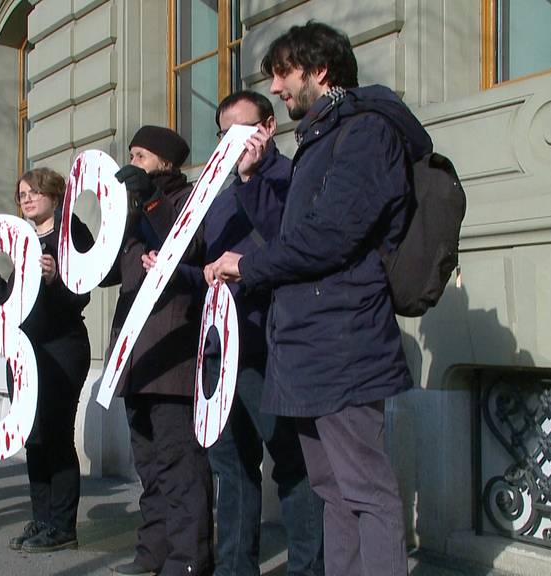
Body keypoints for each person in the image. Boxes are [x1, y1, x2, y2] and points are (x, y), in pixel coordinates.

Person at [205, 21, 432, 576]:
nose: (277, 88)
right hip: (307, 342)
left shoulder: (366, 130)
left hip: (345, 339)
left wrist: (248, 265)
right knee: (330, 489)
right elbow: (291, 233)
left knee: (365, 491)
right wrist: (255, 179)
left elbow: (330, 236)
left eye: (283, 73)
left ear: (319, 70)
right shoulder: (321, 135)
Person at [197, 91, 325, 576]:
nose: (231, 143)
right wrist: (182, 271)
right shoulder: (218, 195)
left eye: (241, 129)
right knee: (230, 470)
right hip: (218, 351)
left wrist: (252, 178)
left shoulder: (292, 179)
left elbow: (293, 251)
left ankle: (308, 569)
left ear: (268, 128)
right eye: (222, 133)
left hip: (268, 348)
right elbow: (208, 269)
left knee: (293, 468)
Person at [105, 126, 213, 576]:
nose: (133, 160)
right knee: (148, 462)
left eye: (142, 154)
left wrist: (150, 199)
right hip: (135, 355)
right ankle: (153, 552)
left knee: (179, 462)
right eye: (131, 153)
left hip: (173, 353)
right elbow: (105, 270)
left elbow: (189, 244)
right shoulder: (130, 211)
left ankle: (190, 560)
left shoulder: (189, 197)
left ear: (165, 162)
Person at [0, 167, 93, 553]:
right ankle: (41, 520)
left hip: (62, 348)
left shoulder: (72, 234)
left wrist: (57, 277)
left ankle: (63, 527)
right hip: (24, 350)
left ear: (55, 195)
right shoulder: (23, 240)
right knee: (33, 437)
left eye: (34, 191)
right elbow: (15, 301)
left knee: (56, 435)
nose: (25, 198)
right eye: (21, 193)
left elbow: (81, 296)